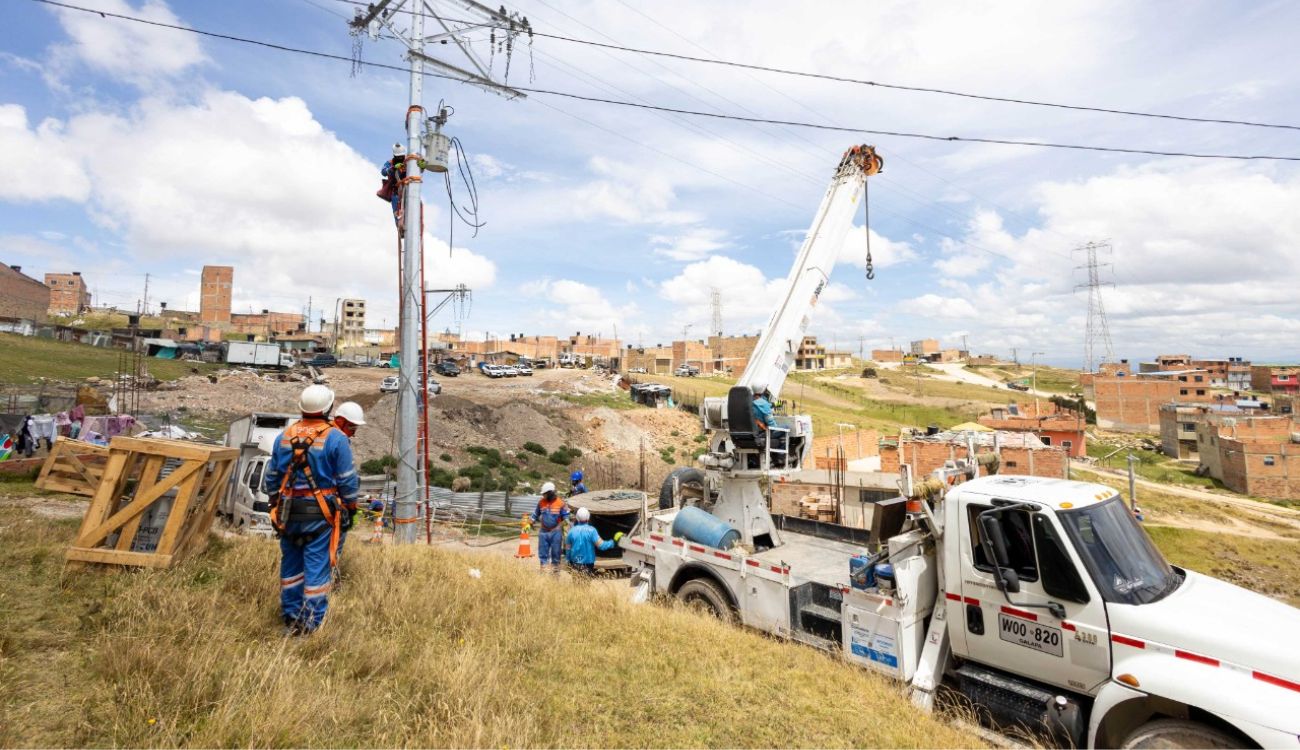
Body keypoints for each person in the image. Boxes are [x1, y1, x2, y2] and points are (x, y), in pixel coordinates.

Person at [263, 385, 360, 635]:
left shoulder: (285, 435)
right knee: (316, 567)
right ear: (328, 408)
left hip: (287, 512)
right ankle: (309, 624)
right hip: (319, 514)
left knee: (291, 566)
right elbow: (347, 480)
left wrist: (274, 501)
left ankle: (290, 617)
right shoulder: (335, 438)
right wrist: (350, 506)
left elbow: (272, 476)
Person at [331, 401, 366, 559]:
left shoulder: (319, 435)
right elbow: (346, 479)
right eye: (352, 428)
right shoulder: (338, 440)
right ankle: (329, 577)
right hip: (330, 506)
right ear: (340, 421)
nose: (354, 433)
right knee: (331, 552)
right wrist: (351, 506)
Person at [565, 507, 622, 576]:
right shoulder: (592, 531)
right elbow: (601, 546)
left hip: (575, 562)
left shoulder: (571, 531)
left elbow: (568, 549)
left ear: (577, 517)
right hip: (588, 563)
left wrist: (568, 560)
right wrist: (614, 542)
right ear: (588, 517)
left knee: (577, 584)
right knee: (586, 584)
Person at [530, 481, 569, 573]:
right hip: (543, 532)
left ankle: (555, 576)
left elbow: (566, 518)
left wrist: (566, 527)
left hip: (556, 533)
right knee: (543, 554)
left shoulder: (561, 503)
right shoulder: (541, 503)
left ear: (550, 493)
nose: (543, 495)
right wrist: (531, 520)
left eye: (544, 494)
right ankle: (543, 573)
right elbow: (536, 513)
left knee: (556, 554)